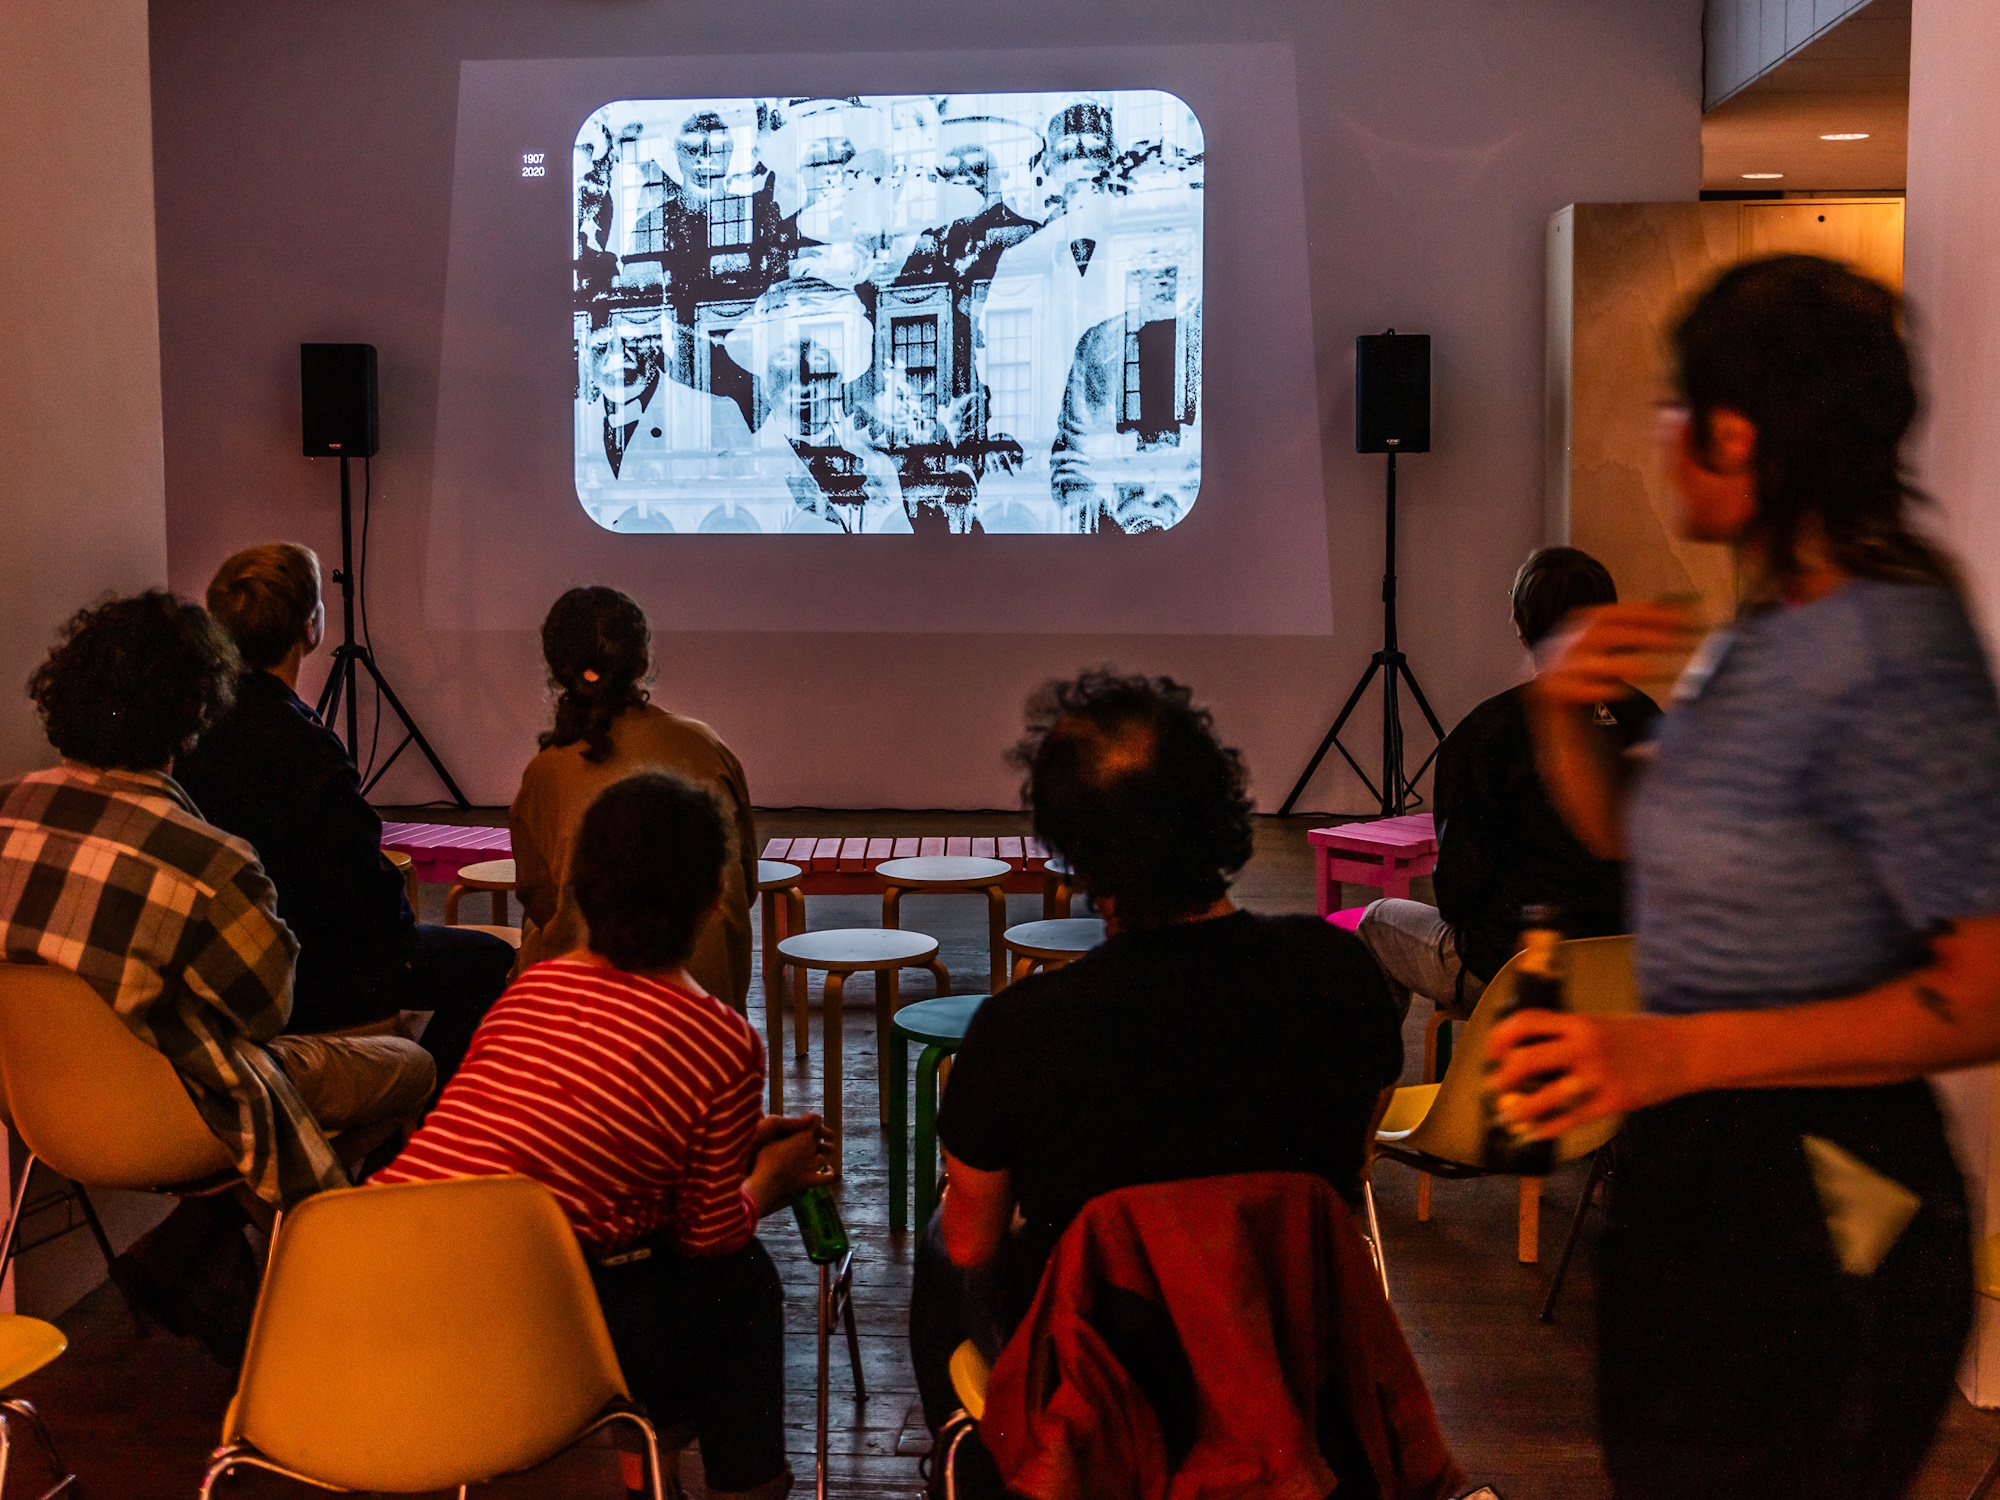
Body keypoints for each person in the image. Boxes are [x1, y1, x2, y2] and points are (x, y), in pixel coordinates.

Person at [1487, 255, 2000, 1500]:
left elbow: (1982, 994)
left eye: (1674, 404)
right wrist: (1559, 711)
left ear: (1734, 433)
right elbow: (1633, 837)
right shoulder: (1771, 628)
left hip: (1825, 1210)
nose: (1657, 435)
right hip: (1711, 1181)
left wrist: (1669, 1053)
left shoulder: (1887, 647)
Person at [907, 669, 1404, 1430]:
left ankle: (978, 1457)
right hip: (1299, 1369)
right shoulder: (1342, 972)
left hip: (1109, 1399)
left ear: (1074, 847)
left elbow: (975, 1242)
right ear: (1219, 803)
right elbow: (1352, 1166)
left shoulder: (1020, 1031)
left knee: (944, 1245)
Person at [0, 591, 433, 1357]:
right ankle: (336, 1280)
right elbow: (267, 1013)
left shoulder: (7, 814)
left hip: (38, 1118)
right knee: (413, 1064)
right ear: (195, 713)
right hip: (183, 1121)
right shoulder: (207, 861)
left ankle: (193, 1245)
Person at [375, 771, 829, 1500]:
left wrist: (727, 1140)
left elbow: (567, 1139)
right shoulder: (721, 1041)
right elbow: (709, 1235)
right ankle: (738, 1487)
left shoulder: (528, 990)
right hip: (521, 1331)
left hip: (385, 1291)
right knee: (736, 1281)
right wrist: (771, 1177)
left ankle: (648, 1477)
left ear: (578, 890)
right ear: (718, 896)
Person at [174, 543, 513, 1086]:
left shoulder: (193, 733)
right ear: (310, 628)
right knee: (491, 961)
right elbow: (364, 892)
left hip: (226, 966)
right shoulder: (306, 746)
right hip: (316, 974)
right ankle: (423, 1103)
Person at [1359, 546, 1659, 1021]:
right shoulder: (1649, 719)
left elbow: (1457, 895)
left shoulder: (1485, 733)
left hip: (1517, 973)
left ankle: (1373, 1075)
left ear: (1521, 627)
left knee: (1377, 920)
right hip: (1632, 974)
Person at [510, 586, 758, 1010]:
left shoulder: (545, 772)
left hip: (593, 1013)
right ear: (641, 663)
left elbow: (540, 900)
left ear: (557, 670)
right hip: (710, 1002)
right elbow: (745, 882)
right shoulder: (705, 745)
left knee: (529, 941)